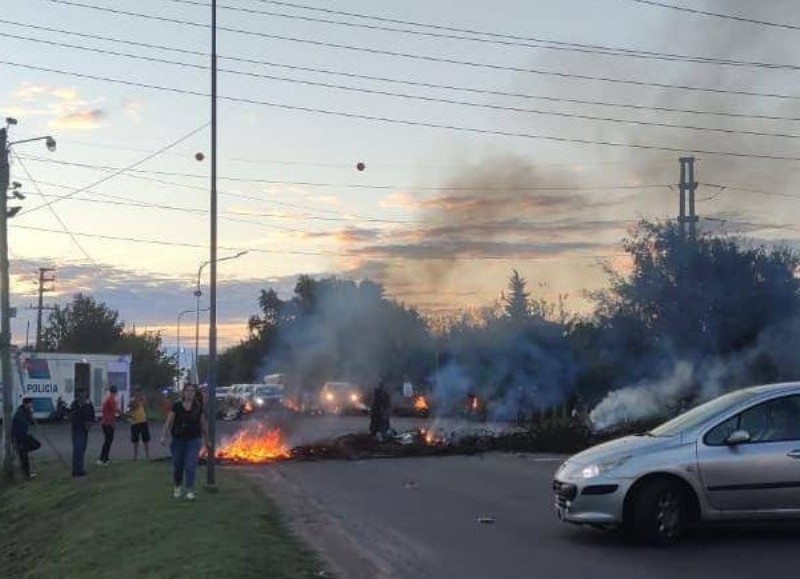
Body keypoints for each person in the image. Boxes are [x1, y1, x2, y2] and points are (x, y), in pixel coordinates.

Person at [160, 383, 208, 500]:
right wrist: (164, 436)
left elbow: (203, 425)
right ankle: (177, 487)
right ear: (183, 392)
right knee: (178, 465)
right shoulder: (177, 406)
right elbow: (169, 422)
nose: (189, 393)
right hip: (178, 440)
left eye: (192, 391)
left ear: (195, 393)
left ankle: (190, 490)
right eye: (187, 391)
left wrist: (207, 440)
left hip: (193, 440)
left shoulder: (198, 407)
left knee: (191, 465)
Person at [11, 397, 41, 480]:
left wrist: (31, 415)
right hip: (20, 437)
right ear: (25, 404)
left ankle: (25, 450)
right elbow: (16, 428)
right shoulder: (19, 414)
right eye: (30, 404)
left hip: (25, 435)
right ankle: (27, 475)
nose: (31, 405)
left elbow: (30, 421)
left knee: (37, 444)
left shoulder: (26, 412)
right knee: (24, 457)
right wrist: (16, 440)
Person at [69, 390, 95, 477]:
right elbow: (72, 417)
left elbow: (92, 415)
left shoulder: (88, 405)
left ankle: (79, 468)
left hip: (83, 430)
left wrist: (89, 424)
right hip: (77, 429)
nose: (83, 397)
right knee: (78, 449)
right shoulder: (75, 405)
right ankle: (77, 470)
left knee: (82, 449)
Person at [97, 385, 118, 466]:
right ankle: (102, 459)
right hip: (107, 423)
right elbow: (114, 410)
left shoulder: (109, 399)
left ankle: (105, 458)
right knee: (108, 441)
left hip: (107, 422)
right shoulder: (111, 400)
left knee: (108, 441)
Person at [127, 390, 151, 460]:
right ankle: (135, 456)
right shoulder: (132, 399)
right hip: (135, 422)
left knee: (145, 439)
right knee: (135, 440)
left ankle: (147, 455)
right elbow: (132, 406)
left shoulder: (142, 398)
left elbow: (145, 406)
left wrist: (143, 400)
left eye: (139, 391)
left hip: (143, 421)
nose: (138, 393)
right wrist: (138, 400)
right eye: (137, 391)